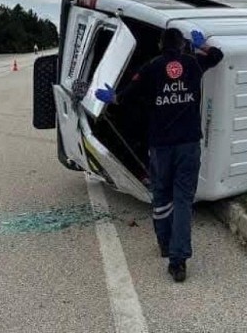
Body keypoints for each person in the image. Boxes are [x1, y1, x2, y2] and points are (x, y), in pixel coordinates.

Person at [95, 28, 223, 283]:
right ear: (182, 44)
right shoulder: (193, 63)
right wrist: (203, 45)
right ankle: (178, 262)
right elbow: (217, 56)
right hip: (188, 144)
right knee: (183, 200)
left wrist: (113, 98)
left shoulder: (151, 67)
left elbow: (126, 98)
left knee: (162, 196)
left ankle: (165, 244)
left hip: (161, 146)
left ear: (160, 45)